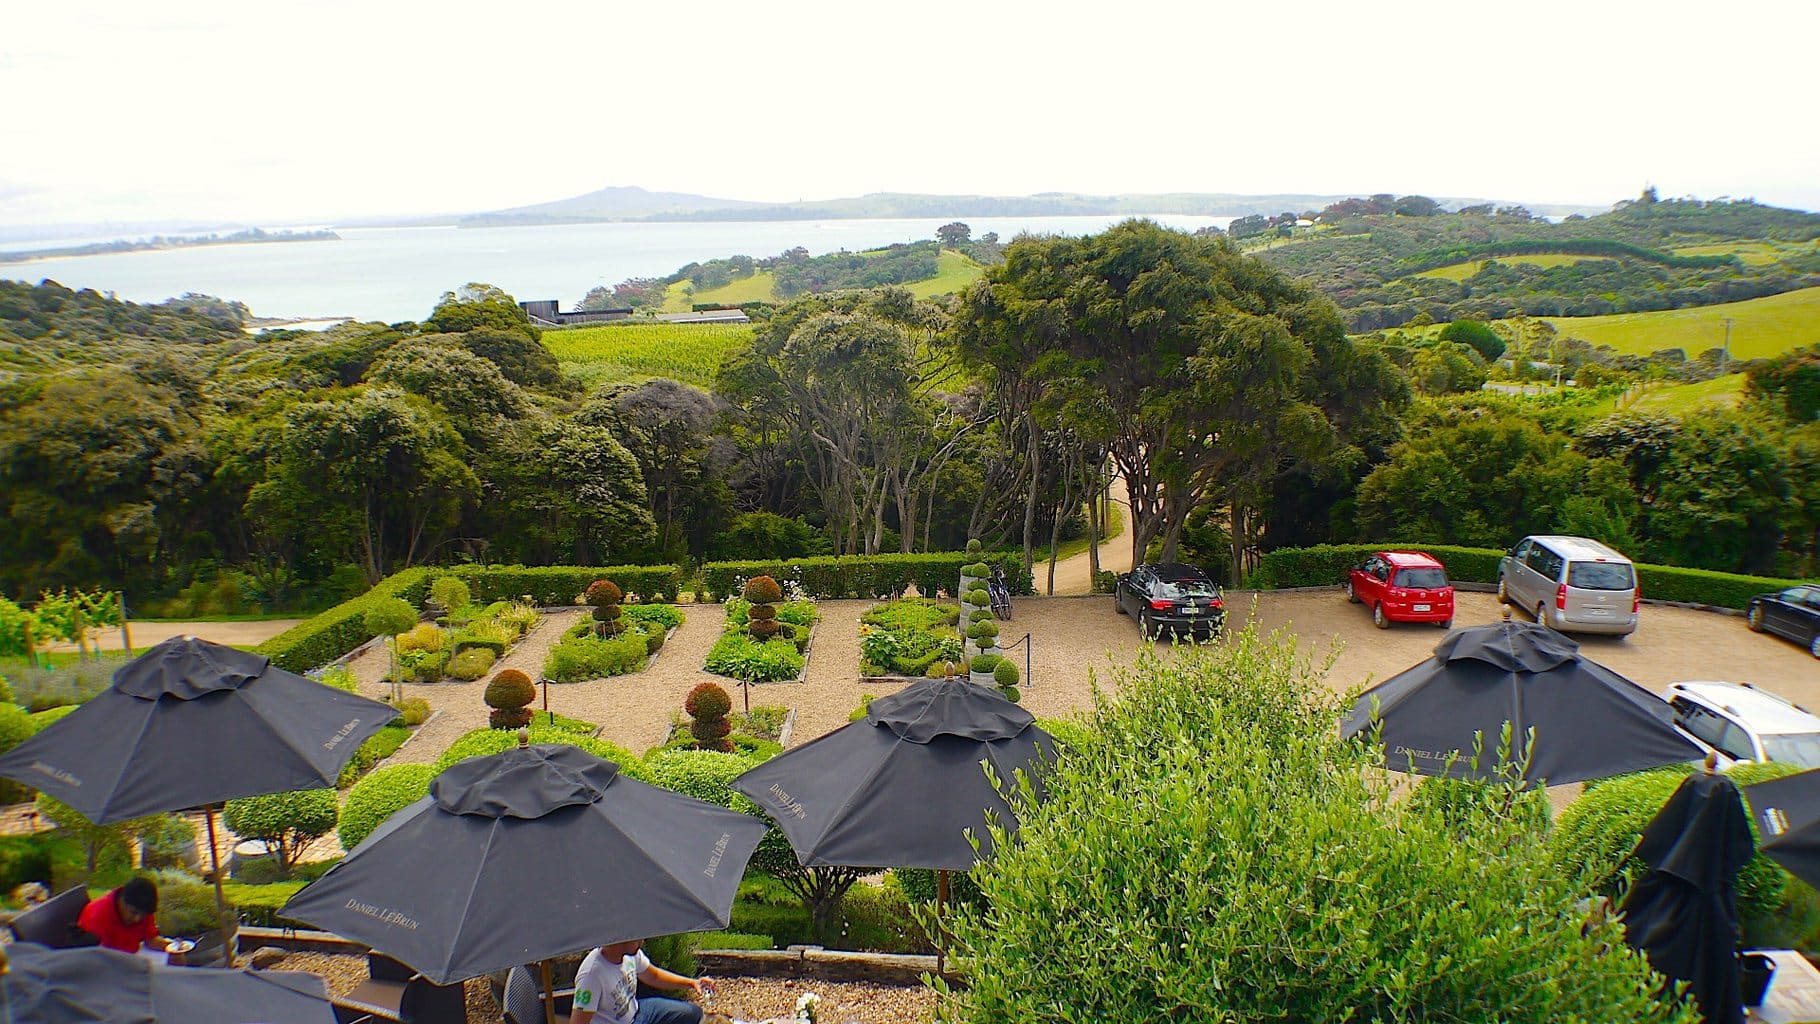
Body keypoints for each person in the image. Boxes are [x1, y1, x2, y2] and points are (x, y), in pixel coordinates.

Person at [569, 938, 713, 1024]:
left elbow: (653, 976)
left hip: (638, 1011)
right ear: (620, 937)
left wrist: (692, 983)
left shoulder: (630, 954)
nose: (642, 941)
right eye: (637, 937)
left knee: (693, 1014)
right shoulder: (591, 975)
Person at [75, 878, 184, 962]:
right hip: (105, 961)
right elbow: (97, 960)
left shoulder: (142, 908)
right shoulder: (98, 917)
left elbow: (151, 940)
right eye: (133, 913)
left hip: (131, 954)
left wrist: (173, 946)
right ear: (122, 901)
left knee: (175, 957)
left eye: (143, 915)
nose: (137, 919)